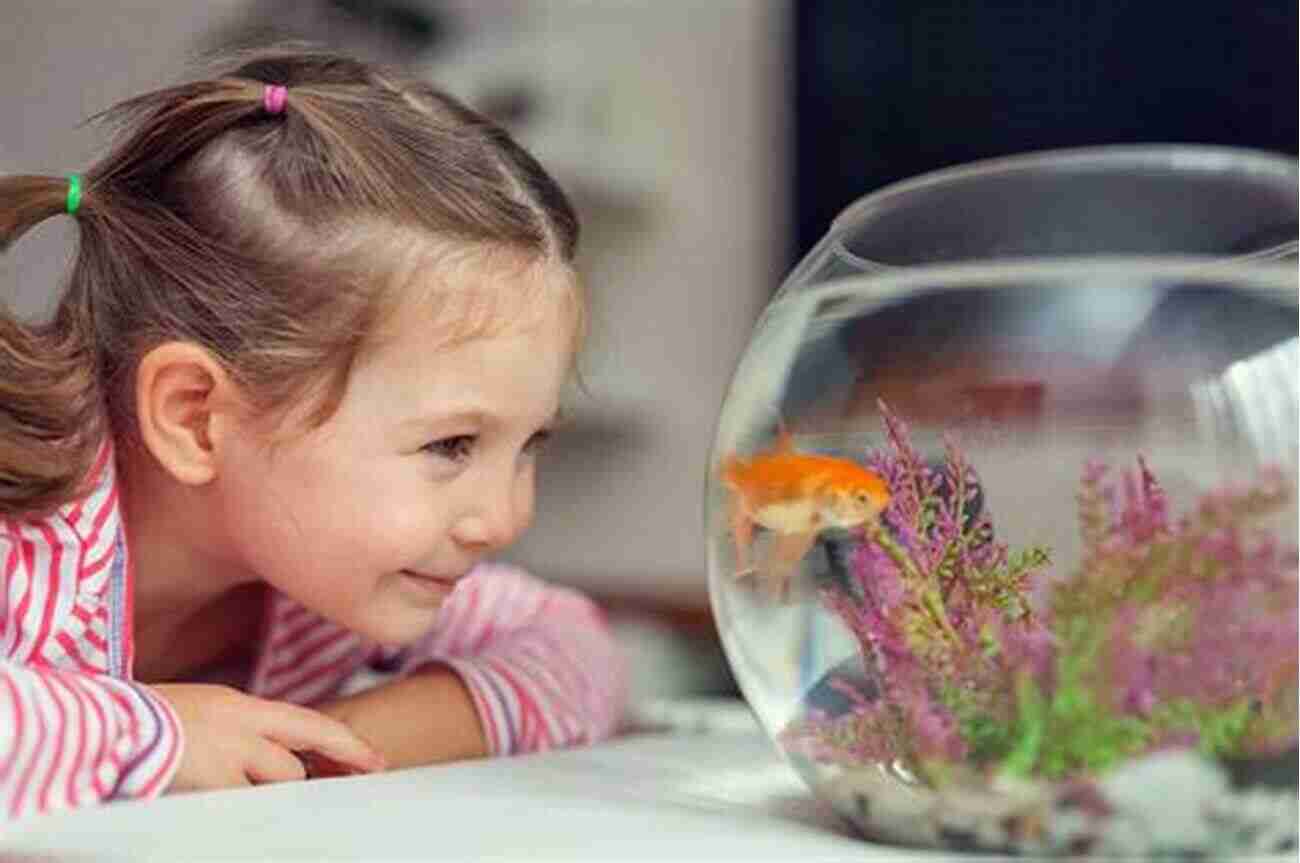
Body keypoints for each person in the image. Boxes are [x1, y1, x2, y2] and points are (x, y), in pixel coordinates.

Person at [0, 46, 626, 822]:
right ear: (195, 416)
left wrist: (355, 736)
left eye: (530, 444)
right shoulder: (27, 544)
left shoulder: (317, 583)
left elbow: (577, 649)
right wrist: (161, 739)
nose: (505, 517)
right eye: (451, 446)